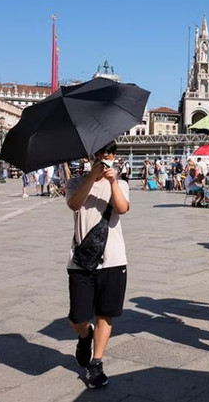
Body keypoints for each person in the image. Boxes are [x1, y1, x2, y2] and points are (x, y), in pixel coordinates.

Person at [64, 140, 130, 389]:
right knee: (77, 317)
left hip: (113, 258)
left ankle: (97, 363)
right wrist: (91, 177)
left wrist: (113, 182)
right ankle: (85, 335)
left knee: (105, 313)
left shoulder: (121, 183)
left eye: (110, 152)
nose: (106, 156)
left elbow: (122, 208)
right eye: (102, 152)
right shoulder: (75, 182)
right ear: (92, 155)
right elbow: (74, 204)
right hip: (80, 260)